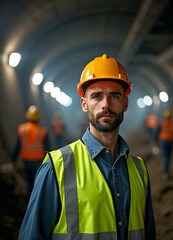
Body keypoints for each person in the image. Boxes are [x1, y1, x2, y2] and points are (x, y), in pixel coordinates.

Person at [19, 54, 156, 240]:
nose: (105, 105)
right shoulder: (57, 167)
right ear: (85, 104)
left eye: (114, 96)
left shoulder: (139, 169)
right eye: (97, 96)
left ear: (125, 103)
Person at [12, 105, 50, 200]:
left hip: (26, 161)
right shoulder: (42, 131)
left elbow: (16, 146)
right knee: (38, 184)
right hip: (38, 161)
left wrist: (13, 160)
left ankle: (29, 203)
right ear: (38, 117)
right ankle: (38, 202)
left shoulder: (22, 129)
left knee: (29, 184)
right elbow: (48, 148)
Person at [155, 109, 173, 179]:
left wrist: (157, 141)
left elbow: (156, 132)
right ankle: (166, 172)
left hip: (163, 142)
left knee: (165, 157)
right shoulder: (172, 123)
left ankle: (165, 172)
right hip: (170, 142)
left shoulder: (161, 123)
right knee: (168, 157)